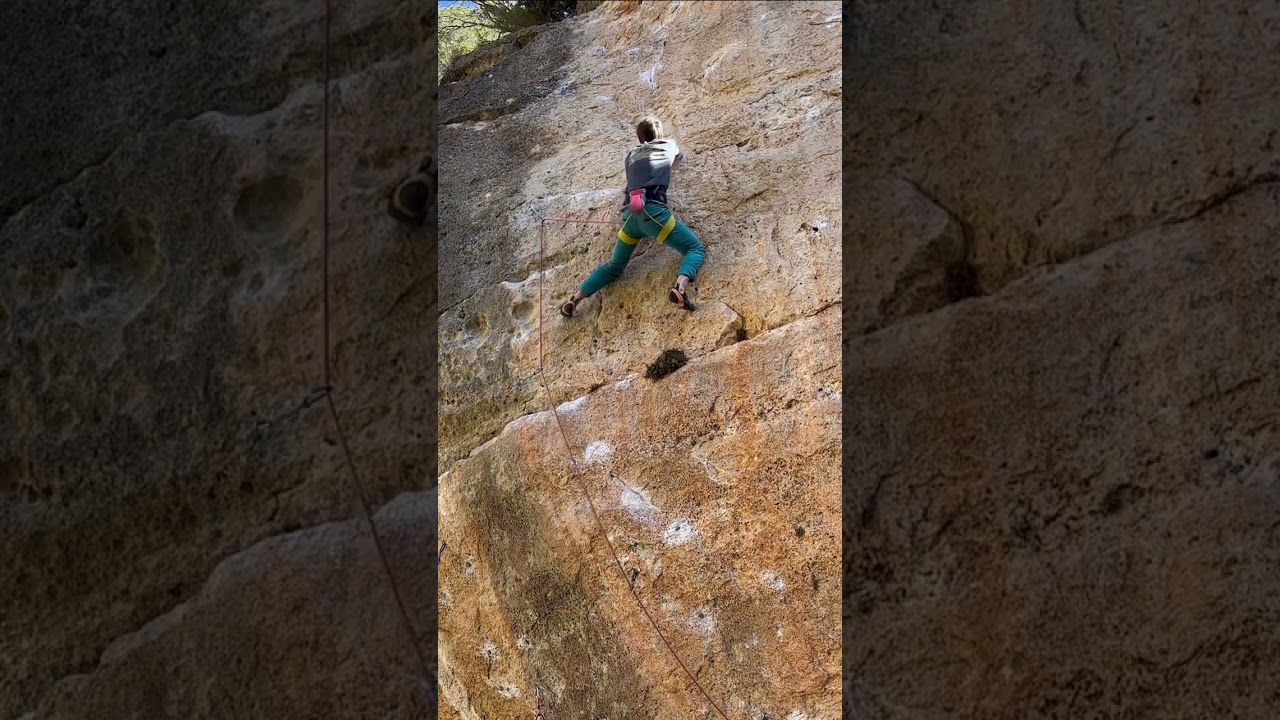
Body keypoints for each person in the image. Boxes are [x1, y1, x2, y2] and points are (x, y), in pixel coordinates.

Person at [560, 116, 705, 317]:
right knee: (694, 248)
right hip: (653, 213)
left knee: (614, 267)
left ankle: (575, 299)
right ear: (660, 135)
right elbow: (679, 158)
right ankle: (679, 288)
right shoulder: (668, 145)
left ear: (639, 138)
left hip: (629, 217)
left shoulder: (630, 156)